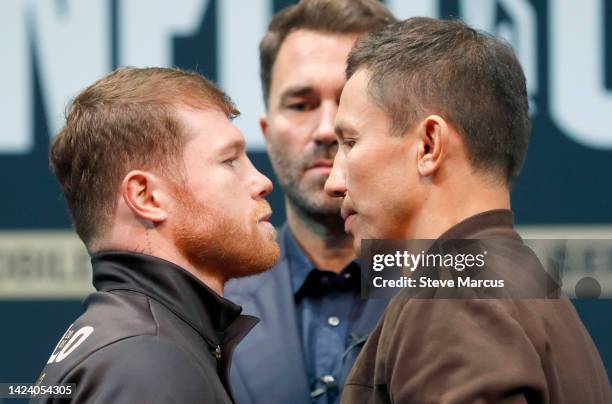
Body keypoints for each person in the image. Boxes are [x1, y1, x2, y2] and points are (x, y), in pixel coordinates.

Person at [325, 17, 611, 404]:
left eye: (350, 142)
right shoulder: (520, 284)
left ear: (429, 145)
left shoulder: (453, 296)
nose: (333, 183)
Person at [33, 67, 280, 403]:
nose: (262, 181)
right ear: (146, 197)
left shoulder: (129, 341)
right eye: (229, 161)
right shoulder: (147, 360)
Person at [224, 1, 396, 403]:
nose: (326, 129)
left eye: (351, 101)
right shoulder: (209, 301)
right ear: (266, 133)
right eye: (301, 105)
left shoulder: (463, 289)